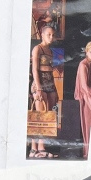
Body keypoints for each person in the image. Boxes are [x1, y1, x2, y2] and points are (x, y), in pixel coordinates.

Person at [30, 21, 60, 157]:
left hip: (50, 84)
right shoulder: (38, 49)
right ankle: (38, 148)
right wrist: (39, 88)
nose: (51, 37)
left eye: (53, 35)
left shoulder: (50, 51)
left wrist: (55, 89)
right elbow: (35, 70)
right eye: (48, 34)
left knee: (48, 115)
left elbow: (50, 71)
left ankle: (37, 148)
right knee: (40, 116)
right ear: (42, 35)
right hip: (39, 84)